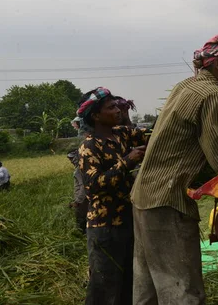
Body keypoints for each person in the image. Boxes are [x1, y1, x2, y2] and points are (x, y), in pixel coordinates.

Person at [131, 33, 218, 305]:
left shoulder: (185, 87)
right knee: (183, 291)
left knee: (149, 288)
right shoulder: (212, 95)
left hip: (144, 196)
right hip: (168, 201)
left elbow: (185, 146)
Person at [77, 87, 148, 305]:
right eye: (111, 107)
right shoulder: (89, 146)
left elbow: (153, 134)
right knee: (104, 286)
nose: (117, 110)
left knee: (128, 281)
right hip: (104, 228)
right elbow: (94, 185)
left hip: (128, 221)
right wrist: (128, 161)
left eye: (117, 105)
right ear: (96, 116)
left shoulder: (122, 134)